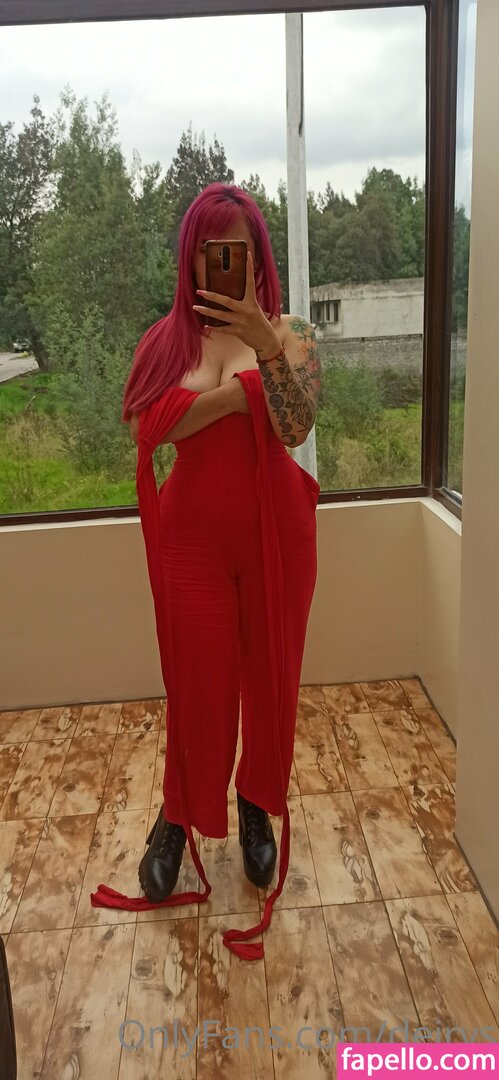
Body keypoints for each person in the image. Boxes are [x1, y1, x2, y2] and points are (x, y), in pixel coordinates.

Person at [90, 182, 321, 961]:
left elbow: (295, 425)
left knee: (270, 677)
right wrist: (232, 398)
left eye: (238, 250)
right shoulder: (165, 341)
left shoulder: (291, 334)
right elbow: (143, 425)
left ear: (258, 256)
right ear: (191, 258)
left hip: (276, 532)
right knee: (198, 684)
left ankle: (255, 802)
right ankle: (178, 812)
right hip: (191, 539)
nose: (224, 262)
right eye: (210, 250)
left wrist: (262, 349)